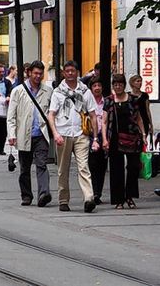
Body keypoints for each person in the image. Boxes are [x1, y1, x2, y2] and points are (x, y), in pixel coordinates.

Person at [48, 60, 99, 213]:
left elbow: (93, 115)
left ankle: (89, 198)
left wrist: (95, 138)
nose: (70, 73)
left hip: (81, 133)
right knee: (63, 169)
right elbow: (51, 115)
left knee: (83, 167)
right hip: (63, 134)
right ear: (64, 73)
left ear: (77, 72)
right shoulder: (58, 92)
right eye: (67, 71)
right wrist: (55, 133)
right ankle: (63, 200)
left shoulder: (85, 91)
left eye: (73, 71)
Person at [7, 60, 53, 207]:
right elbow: (11, 116)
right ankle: (26, 195)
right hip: (23, 134)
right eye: (35, 73)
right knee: (24, 168)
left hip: (41, 134)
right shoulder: (18, 91)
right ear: (29, 73)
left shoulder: (48, 91)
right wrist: (11, 134)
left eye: (40, 73)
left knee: (41, 164)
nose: (38, 76)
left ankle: (44, 193)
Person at [102, 73, 145, 209]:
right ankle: (118, 200)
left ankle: (130, 196)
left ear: (124, 85)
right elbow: (103, 121)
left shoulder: (132, 99)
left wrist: (143, 134)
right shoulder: (109, 100)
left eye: (120, 84)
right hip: (114, 137)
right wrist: (104, 139)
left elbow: (138, 118)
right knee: (116, 169)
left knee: (133, 167)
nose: (118, 87)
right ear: (113, 86)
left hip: (132, 136)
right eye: (115, 84)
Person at [87, 76, 107, 205]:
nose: (97, 88)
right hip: (90, 136)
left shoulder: (107, 102)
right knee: (92, 165)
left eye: (99, 85)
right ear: (91, 88)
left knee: (102, 166)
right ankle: (93, 192)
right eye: (94, 86)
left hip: (104, 136)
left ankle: (98, 193)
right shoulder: (87, 101)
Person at [128, 74, 153, 142]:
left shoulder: (145, 95)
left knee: (143, 140)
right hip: (133, 120)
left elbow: (147, 110)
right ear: (132, 83)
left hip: (144, 119)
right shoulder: (128, 95)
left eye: (141, 81)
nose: (140, 83)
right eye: (138, 81)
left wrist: (150, 124)